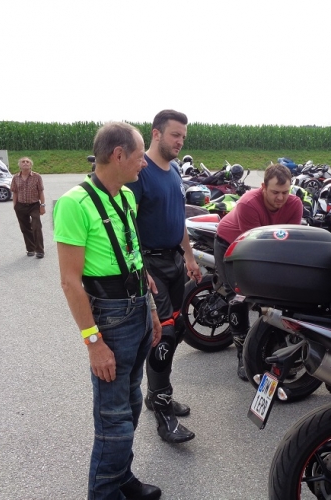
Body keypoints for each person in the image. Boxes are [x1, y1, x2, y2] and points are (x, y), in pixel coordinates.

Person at [54, 122, 163, 500]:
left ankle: (121, 477)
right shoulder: (74, 204)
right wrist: (93, 342)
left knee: (131, 404)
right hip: (111, 317)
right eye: (140, 156)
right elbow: (70, 282)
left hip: (137, 310)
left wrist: (151, 310)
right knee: (113, 421)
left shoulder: (127, 196)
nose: (144, 163)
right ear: (118, 155)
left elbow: (135, 258)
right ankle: (103, 492)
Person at [126, 109, 201, 444]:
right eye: (175, 135)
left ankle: (156, 394)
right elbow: (127, 226)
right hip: (151, 264)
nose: (180, 141)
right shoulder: (140, 173)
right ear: (156, 133)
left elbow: (177, 218)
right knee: (163, 336)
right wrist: (140, 269)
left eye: (183, 136)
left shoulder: (174, 172)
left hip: (174, 261)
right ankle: (162, 411)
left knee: (178, 328)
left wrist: (189, 256)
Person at [214, 163, 304, 380]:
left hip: (267, 248)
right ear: (263, 187)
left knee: (278, 297)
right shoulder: (249, 203)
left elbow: (289, 242)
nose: (280, 198)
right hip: (232, 246)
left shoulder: (295, 204)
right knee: (238, 298)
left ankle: (275, 349)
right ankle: (242, 356)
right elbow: (255, 250)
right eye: (275, 192)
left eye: (285, 192)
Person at [11, 157, 46, 258]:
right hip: (20, 206)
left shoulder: (37, 176)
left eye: (27, 162)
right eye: (23, 162)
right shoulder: (15, 178)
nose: (25, 163)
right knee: (25, 228)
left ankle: (40, 250)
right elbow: (15, 192)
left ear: (31, 165)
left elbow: (40, 192)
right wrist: (15, 206)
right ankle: (30, 249)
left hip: (34, 205)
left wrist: (42, 205)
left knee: (36, 227)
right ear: (20, 165)